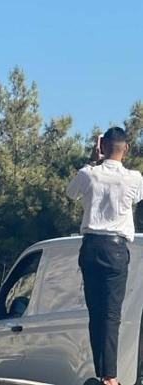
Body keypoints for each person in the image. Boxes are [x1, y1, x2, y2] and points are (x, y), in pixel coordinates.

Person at [67, 127, 141, 385]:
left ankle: (102, 373)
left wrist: (92, 162)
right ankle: (109, 377)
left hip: (91, 247)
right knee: (111, 314)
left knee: (95, 313)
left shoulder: (89, 174)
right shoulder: (134, 178)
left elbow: (71, 193)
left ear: (102, 146)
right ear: (126, 149)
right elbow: (137, 198)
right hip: (116, 248)